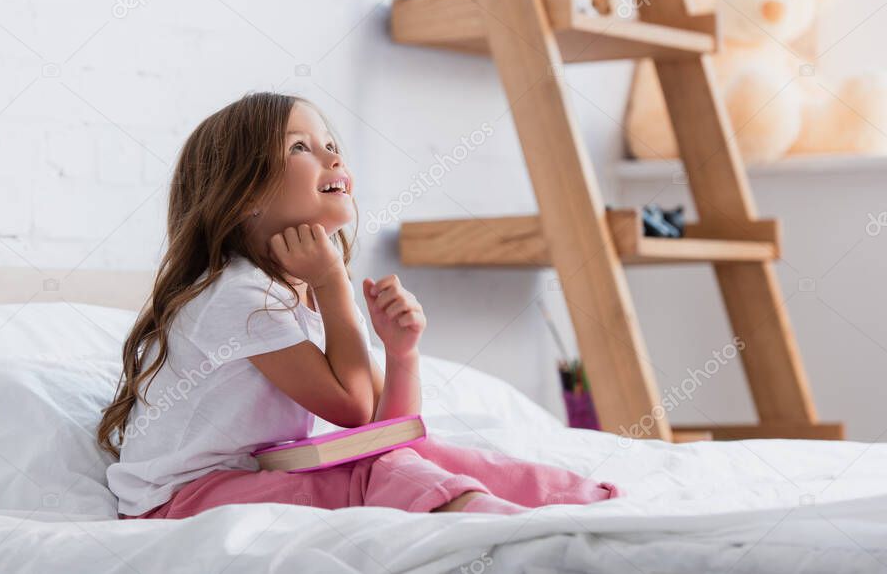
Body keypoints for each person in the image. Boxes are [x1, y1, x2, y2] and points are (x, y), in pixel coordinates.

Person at [97, 91, 622, 519]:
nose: (334, 157)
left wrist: (402, 353)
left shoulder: (292, 290)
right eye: (301, 147)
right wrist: (332, 286)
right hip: (182, 501)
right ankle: (484, 520)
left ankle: (576, 504)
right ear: (244, 195)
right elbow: (351, 411)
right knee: (375, 478)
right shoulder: (237, 294)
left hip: (253, 476)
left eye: (329, 142)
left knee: (417, 458)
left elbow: (385, 430)